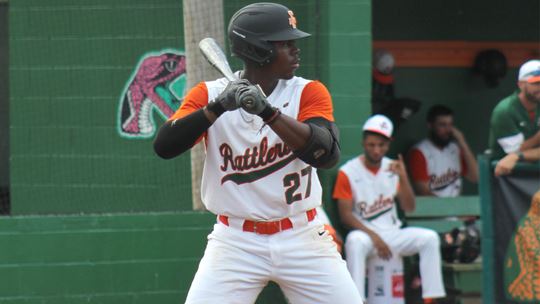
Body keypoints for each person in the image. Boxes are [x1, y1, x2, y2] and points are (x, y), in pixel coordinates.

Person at [153, 3, 363, 303]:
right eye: (284, 43)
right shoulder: (210, 95)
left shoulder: (308, 92)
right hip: (236, 241)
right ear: (257, 48)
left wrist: (268, 112)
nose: (295, 49)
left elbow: (325, 154)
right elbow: (165, 146)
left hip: (302, 236)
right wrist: (218, 108)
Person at [333, 114, 446, 303]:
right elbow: (345, 216)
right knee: (354, 241)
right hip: (367, 236)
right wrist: (374, 237)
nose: (376, 150)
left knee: (430, 238)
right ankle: (355, 300)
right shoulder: (348, 171)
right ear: (363, 143)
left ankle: (430, 299)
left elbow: (409, 207)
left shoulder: (393, 168)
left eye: (381, 145)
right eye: (371, 144)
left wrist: (403, 177)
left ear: (388, 144)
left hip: (393, 234)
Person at [407, 105, 478, 197]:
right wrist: (449, 210)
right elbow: (423, 192)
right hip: (432, 210)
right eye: (442, 125)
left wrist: (462, 142)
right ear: (430, 125)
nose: (448, 130)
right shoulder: (419, 151)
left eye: (450, 125)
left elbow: (476, 177)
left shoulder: (455, 149)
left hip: (456, 207)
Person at [488, 59, 540, 160]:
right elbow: (514, 152)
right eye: (536, 83)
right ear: (521, 84)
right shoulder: (505, 110)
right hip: (506, 171)